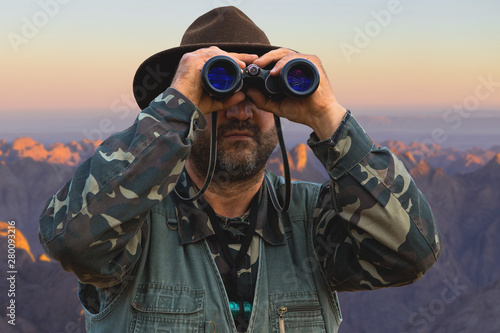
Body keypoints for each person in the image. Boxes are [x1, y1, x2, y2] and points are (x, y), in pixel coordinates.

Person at [39, 6, 442, 333]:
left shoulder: (315, 221)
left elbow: (413, 255)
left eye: (261, 92)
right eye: (217, 88)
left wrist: (327, 115)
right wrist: (177, 105)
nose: (241, 110)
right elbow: (70, 239)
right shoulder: (133, 225)